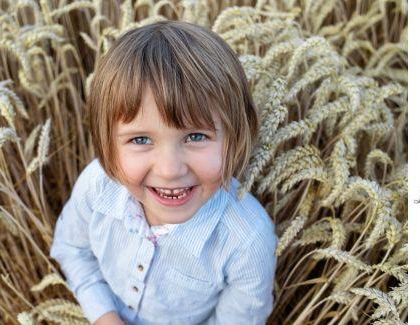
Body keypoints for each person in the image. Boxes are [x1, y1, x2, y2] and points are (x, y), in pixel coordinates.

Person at [49, 20, 277, 325]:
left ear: (236, 136)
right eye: (141, 140)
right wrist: (105, 317)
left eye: (196, 137)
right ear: (107, 144)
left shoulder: (248, 240)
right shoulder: (97, 186)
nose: (170, 170)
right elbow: (72, 250)